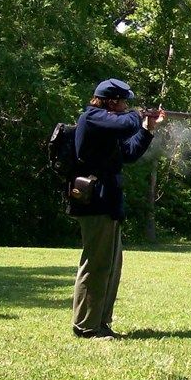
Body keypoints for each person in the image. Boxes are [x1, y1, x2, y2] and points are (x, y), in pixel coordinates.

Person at [68, 78, 164, 339]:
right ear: (111, 101)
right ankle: (86, 326)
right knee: (96, 266)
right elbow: (125, 124)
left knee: (110, 267)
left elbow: (130, 153)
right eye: (123, 102)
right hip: (95, 201)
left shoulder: (107, 126)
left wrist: (148, 128)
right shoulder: (93, 118)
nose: (125, 106)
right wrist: (137, 115)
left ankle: (100, 323)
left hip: (108, 202)